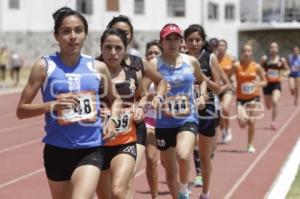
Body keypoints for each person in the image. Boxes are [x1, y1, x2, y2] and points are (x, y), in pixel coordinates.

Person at [16, 7, 121, 199]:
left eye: (78, 30)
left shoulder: (98, 67)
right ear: (56, 36)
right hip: (57, 150)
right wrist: (52, 106)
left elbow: (116, 100)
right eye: (66, 31)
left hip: (91, 148)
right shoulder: (44, 67)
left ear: (85, 34)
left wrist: (113, 120)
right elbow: (21, 110)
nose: (73, 36)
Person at [150, 23, 221, 199]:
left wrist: (202, 95)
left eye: (176, 39)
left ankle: (183, 188)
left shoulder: (191, 61)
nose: (172, 43)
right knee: (170, 169)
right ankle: (178, 196)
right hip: (164, 122)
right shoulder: (154, 63)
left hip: (187, 118)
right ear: (162, 42)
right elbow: (142, 90)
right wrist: (154, 98)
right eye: (168, 39)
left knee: (183, 155)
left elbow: (202, 80)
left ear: (181, 41)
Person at [105, 15, 167, 199]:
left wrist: (150, 102)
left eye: (125, 33)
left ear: (130, 37)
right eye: (116, 30)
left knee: (126, 179)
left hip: (133, 129)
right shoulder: (98, 65)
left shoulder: (138, 63)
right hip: (105, 130)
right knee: (109, 186)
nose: (121, 35)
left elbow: (159, 82)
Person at [96, 28, 147, 199]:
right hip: (97, 144)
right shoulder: (90, 74)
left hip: (125, 140)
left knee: (118, 190)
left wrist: (140, 107)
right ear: (100, 47)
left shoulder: (133, 73)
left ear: (125, 49)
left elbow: (143, 96)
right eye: (108, 47)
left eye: (118, 48)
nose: (113, 53)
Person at [184, 24, 231, 199]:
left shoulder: (210, 58)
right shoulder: (181, 59)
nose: (194, 43)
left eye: (197, 39)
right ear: (185, 41)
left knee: (204, 157)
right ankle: (185, 186)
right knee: (184, 153)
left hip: (207, 110)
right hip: (185, 111)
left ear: (203, 41)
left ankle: (205, 192)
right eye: (190, 40)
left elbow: (218, 89)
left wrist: (201, 77)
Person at [230, 43, 266, 153]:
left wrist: (258, 84)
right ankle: (242, 119)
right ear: (241, 53)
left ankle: (250, 144)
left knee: (252, 121)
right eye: (244, 51)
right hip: (241, 99)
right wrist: (233, 82)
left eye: (249, 51)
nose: (246, 53)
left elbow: (265, 81)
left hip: (254, 97)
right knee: (242, 123)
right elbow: (229, 76)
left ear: (251, 53)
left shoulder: (256, 67)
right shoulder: (236, 66)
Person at [143, 39, 163, 199]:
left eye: (156, 53)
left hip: (166, 120)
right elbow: (136, 96)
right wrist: (148, 96)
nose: (152, 55)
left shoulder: (167, 72)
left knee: (170, 161)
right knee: (151, 159)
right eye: (149, 53)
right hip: (147, 120)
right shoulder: (140, 74)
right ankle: (155, 196)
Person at [260, 42, 289, 130]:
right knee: (268, 106)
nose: (273, 49)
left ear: (278, 49)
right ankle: (272, 110)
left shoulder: (281, 60)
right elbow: (258, 68)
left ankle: (273, 122)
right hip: (266, 84)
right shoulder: (265, 59)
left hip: (276, 84)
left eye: (275, 47)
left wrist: (283, 75)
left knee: (275, 101)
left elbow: (287, 70)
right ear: (269, 49)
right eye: (272, 47)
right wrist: (262, 73)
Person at [217, 39, 236, 143]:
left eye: (223, 45)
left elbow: (236, 73)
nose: (221, 47)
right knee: (218, 113)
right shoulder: (213, 59)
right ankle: (223, 130)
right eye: (219, 45)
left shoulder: (231, 59)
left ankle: (228, 129)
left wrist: (236, 84)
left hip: (228, 88)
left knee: (224, 108)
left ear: (226, 47)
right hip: (217, 89)